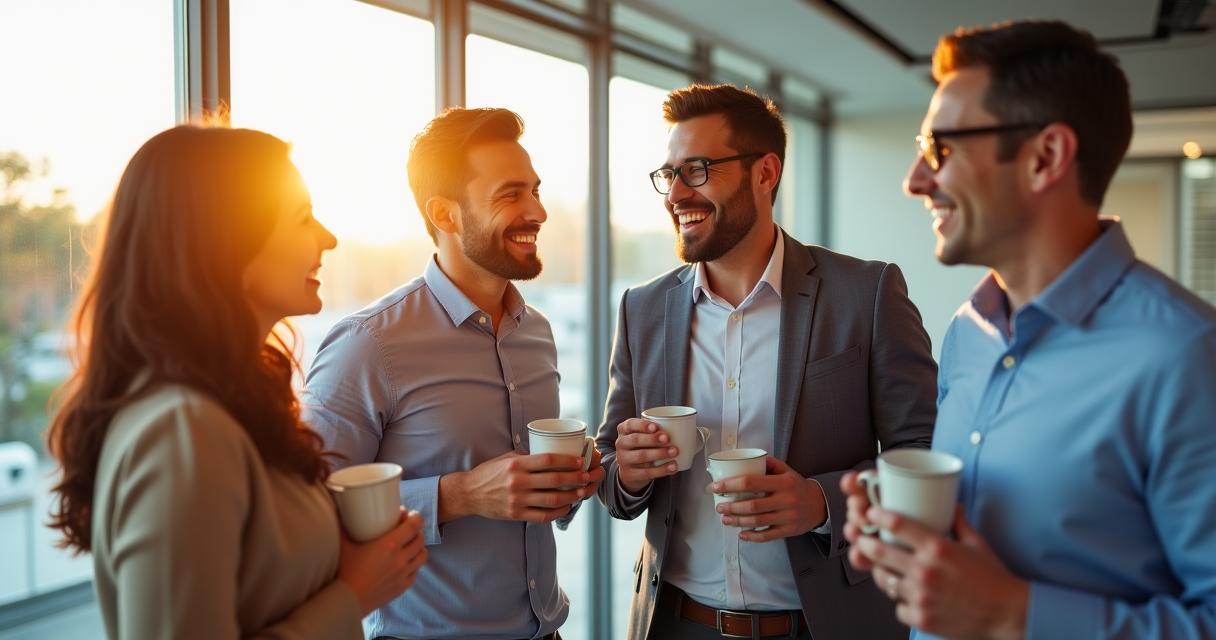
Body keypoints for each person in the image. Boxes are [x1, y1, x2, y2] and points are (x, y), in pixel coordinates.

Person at [842, 20, 1216, 639]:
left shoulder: (1186, 356)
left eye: (940, 148)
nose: (915, 180)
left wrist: (1013, 614)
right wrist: (907, 540)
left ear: (1045, 158)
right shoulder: (966, 334)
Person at [46, 125, 427, 639]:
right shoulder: (183, 430)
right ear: (226, 243)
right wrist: (353, 595)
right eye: (302, 218)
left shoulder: (224, 409)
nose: (328, 238)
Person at [595, 83, 939, 640]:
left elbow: (924, 457)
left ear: (765, 173)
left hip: (824, 626)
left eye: (697, 170)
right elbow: (611, 472)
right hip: (676, 624)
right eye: (669, 174)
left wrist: (821, 503)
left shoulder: (866, 293)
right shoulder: (643, 308)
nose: (675, 193)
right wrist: (629, 473)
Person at [303, 107, 603, 640]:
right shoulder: (368, 344)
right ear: (445, 214)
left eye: (535, 191)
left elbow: (534, 504)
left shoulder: (537, 332)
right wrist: (458, 495)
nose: (537, 211)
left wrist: (570, 481)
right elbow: (312, 513)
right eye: (510, 195)